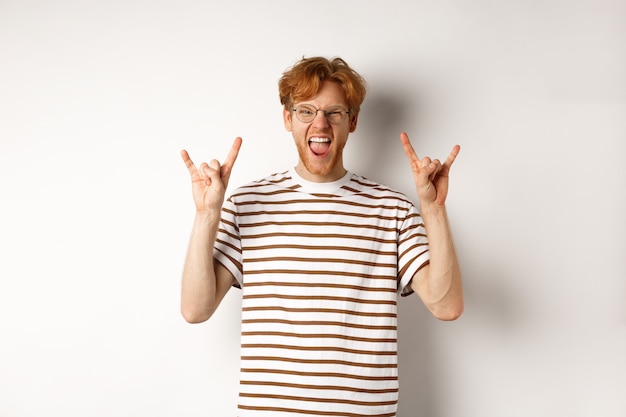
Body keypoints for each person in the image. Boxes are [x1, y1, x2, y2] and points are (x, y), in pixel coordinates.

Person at [180, 56, 463, 417]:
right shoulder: (247, 204)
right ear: (287, 119)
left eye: (335, 113)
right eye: (305, 111)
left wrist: (434, 210)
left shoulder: (393, 208)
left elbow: (447, 305)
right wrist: (207, 215)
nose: (320, 124)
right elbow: (195, 309)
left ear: (353, 121)